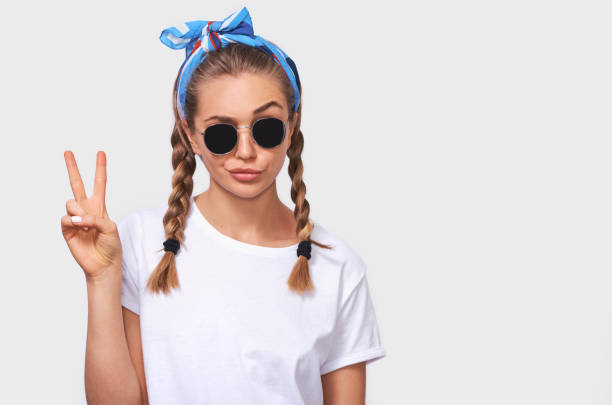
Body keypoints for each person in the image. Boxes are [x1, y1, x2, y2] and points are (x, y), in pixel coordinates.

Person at [61, 6, 385, 405]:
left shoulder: (338, 268)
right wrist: (100, 280)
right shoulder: (142, 241)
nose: (245, 152)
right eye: (220, 134)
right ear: (191, 135)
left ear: (292, 125)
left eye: (266, 128)